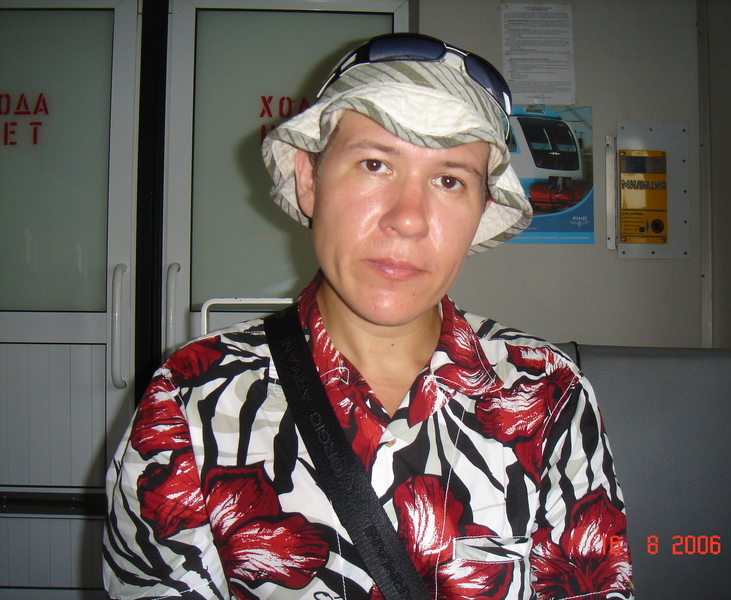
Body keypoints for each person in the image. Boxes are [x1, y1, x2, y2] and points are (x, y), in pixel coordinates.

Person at [103, 33, 634, 600]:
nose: (408, 218)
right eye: (375, 163)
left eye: (449, 180)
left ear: (480, 211)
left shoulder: (548, 395)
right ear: (310, 180)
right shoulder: (192, 398)